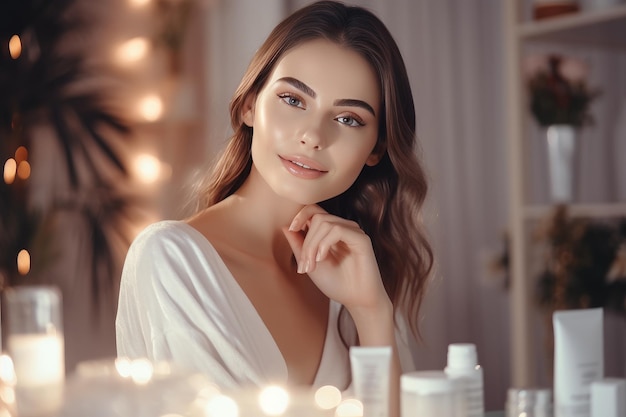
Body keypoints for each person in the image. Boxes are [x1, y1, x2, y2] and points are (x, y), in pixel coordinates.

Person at [116, 0, 433, 414]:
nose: (313, 136)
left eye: (349, 119)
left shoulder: (357, 271)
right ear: (250, 104)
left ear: (375, 149)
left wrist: (371, 312)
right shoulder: (171, 259)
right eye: (293, 100)